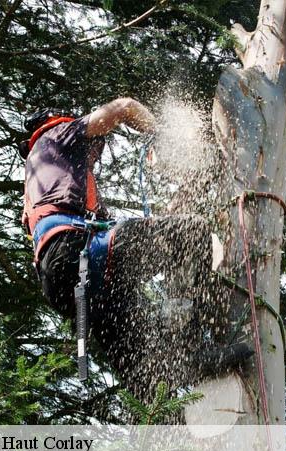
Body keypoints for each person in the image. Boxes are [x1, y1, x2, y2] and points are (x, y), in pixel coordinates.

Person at [20, 98, 251, 397]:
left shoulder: (42, 175)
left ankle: (167, 410)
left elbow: (133, 238)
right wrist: (162, 135)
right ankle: (190, 345)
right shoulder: (59, 133)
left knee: (144, 368)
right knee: (190, 231)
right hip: (79, 253)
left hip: (64, 282)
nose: (93, 155)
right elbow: (123, 107)